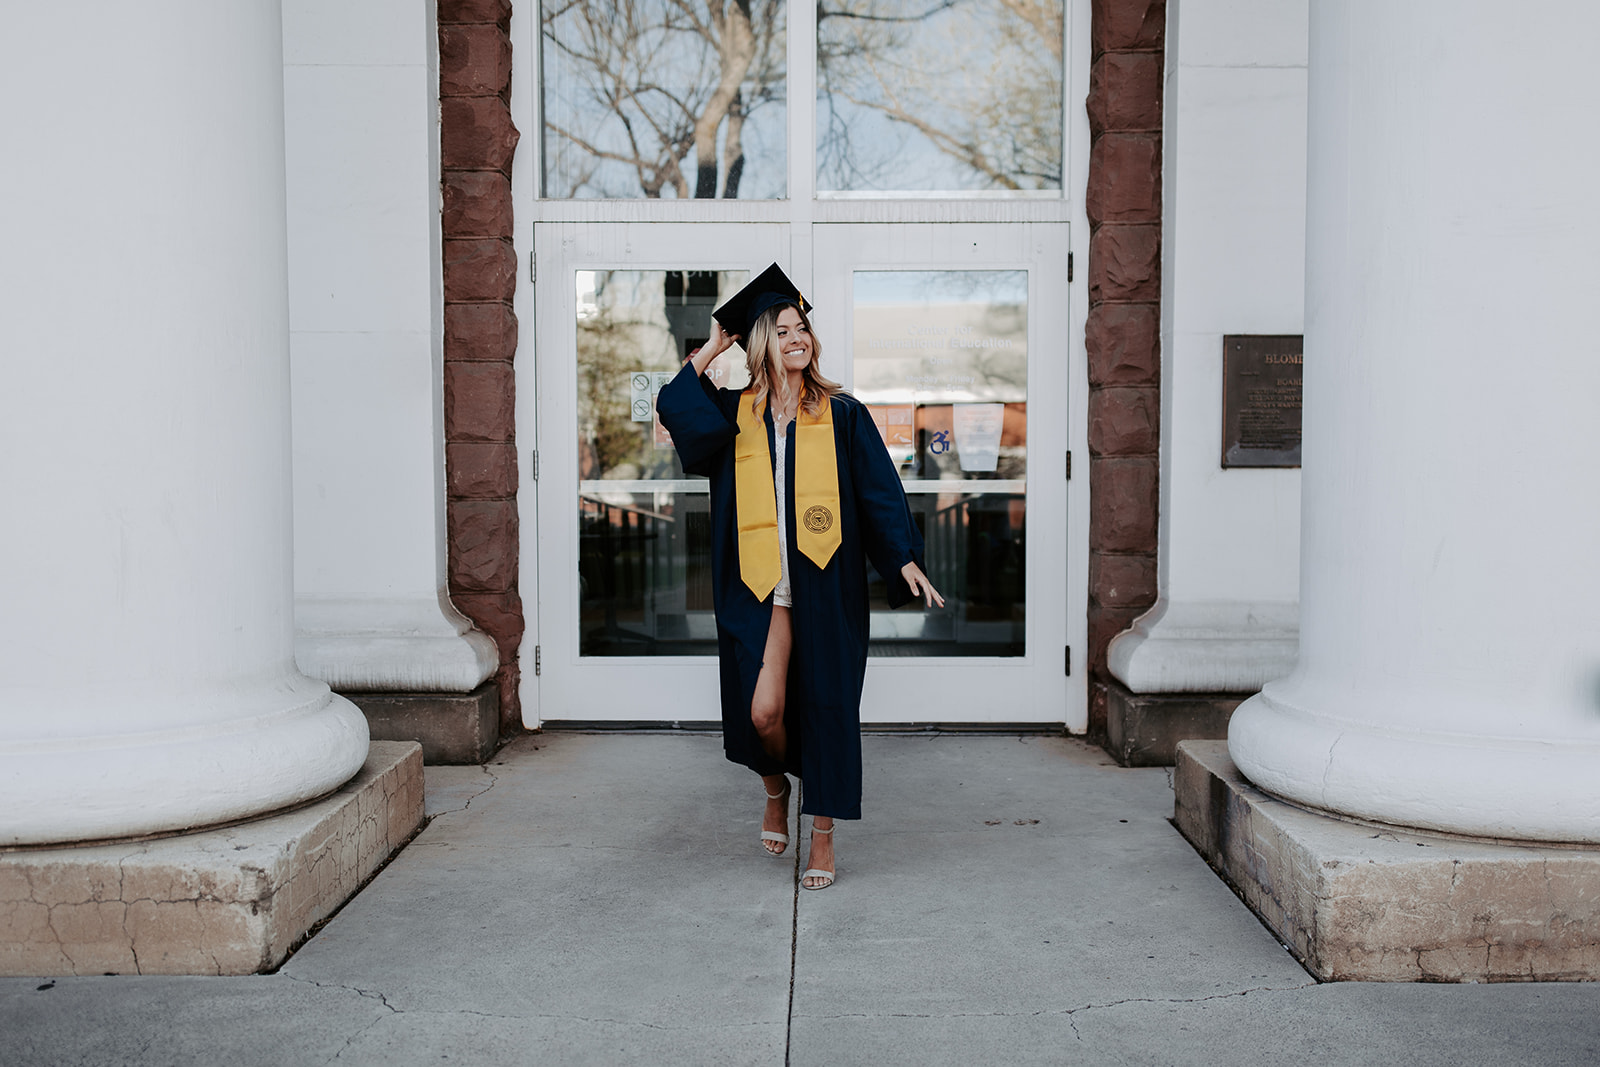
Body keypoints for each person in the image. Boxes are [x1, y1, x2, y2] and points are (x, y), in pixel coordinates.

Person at [655, 265, 943, 890]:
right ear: (761, 341)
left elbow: (878, 493)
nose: (796, 337)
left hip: (823, 585)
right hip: (759, 589)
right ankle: (776, 788)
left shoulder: (842, 414)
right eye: (781, 329)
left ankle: (823, 836)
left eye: (801, 327)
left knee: (829, 706)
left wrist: (903, 556)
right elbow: (674, 403)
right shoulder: (734, 418)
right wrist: (714, 345)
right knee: (762, 713)